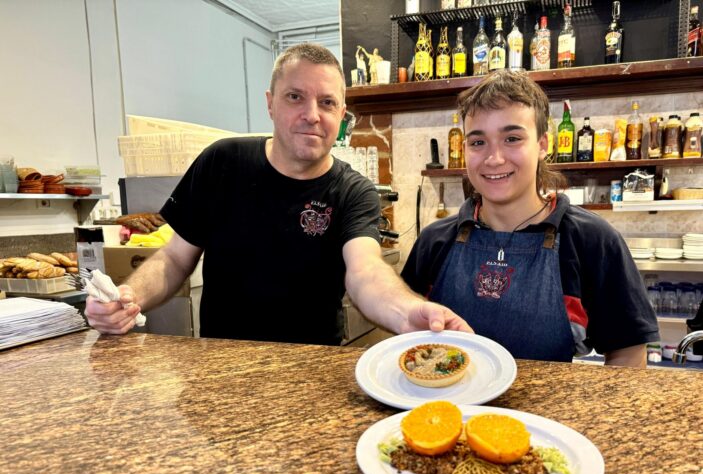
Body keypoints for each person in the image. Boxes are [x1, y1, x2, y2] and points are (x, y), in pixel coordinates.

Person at [85, 43, 471, 344]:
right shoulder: (222, 162)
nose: (312, 114)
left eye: (327, 102)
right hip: (222, 367)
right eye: (295, 97)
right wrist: (128, 296)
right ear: (270, 104)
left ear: (342, 116)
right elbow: (173, 259)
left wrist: (407, 312)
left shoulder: (353, 191)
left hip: (312, 370)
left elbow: (366, 272)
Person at [401, 70, 658, 367]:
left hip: (547, 412)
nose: (494, 158)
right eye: (477, 142)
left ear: (543, 145)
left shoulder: (592, 240)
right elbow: (407, 338)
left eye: (512, 138)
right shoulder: (435, 241)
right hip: (447, 410)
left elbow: (627, 353)